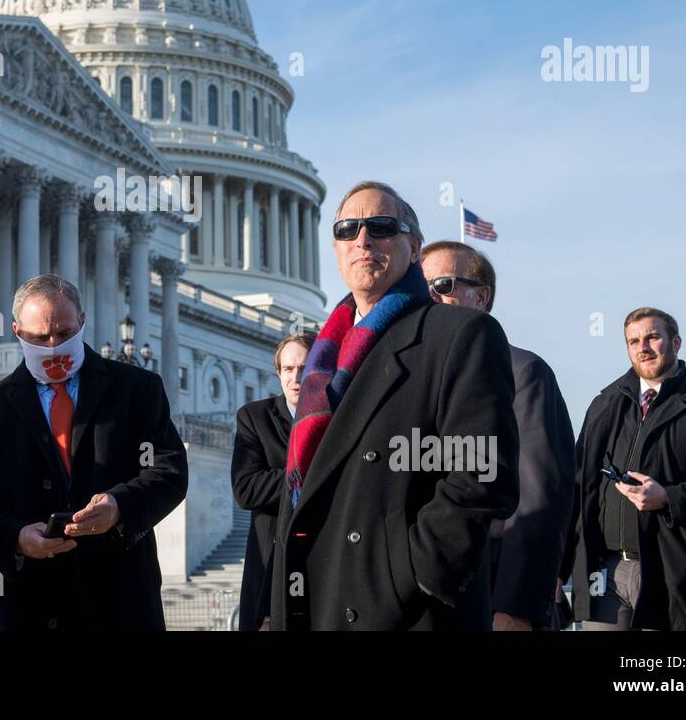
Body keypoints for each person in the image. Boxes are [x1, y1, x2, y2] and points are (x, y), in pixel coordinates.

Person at [270, 181, 518, 631]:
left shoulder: (458, 334)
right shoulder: (324, 355)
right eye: (347, 229)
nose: (363, 240)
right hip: (317, 597)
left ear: (414, 247)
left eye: (382, 227)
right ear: (336, 246)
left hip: (401, 612)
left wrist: (406, 576)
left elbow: (480, 476)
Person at [0, 274, 188, 630]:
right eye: (39, 337)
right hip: (32, 605)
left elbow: (169, 471)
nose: (54, 345)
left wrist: (120, 506)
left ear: (83, 321)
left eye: (64, 332)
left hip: (121, 601)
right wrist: (15, 538)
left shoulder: (137, 388)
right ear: (16, 331)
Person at [563, 307, 686, 630]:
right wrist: (557, 571)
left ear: (676, 342)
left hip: (669, 577)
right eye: (633, 341)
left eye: (653, 337)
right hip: (603, 575)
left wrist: (668, 498)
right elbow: (576, 488)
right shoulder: (603, 405)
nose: (643, 347)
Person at [421, 241, 575, 630]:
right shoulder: (412, 381)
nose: (429, 296)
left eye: (443, 284)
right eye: (421, 286)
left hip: (491, 600)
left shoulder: (524, 372)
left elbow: (541, 500)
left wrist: (516, 609)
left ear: (482, 297)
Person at [232, 332, 312, 631]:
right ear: (278, 374)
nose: (296, 377)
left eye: (304, 368)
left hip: (323, 559)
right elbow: (245, 489)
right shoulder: (255, 417)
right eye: (289, 369)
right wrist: (311, 478)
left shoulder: (340, 417)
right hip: (271, 562)